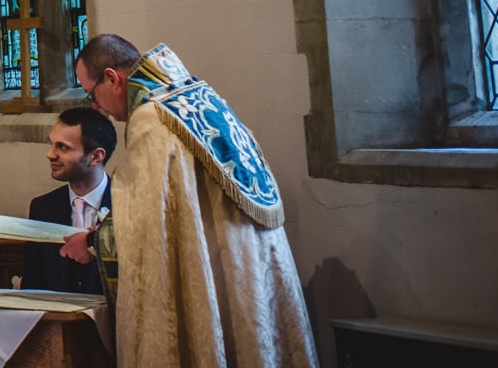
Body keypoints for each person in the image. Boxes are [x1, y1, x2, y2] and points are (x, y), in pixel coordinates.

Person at [77, 34, 318, 368]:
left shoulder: (152, 122)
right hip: (246, 269)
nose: (96, 107)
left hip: (216, 269)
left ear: (112, 78)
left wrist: (92, 242)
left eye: (92, 94)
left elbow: (147, 232)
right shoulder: (195, 97)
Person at [22, 105, 115, 295]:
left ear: (96, 156)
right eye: (52, 144)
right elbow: (33, 284)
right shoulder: (43, 208)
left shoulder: (126, 206)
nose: (50, 154)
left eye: (63, 147)